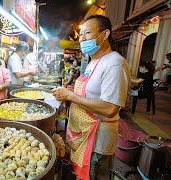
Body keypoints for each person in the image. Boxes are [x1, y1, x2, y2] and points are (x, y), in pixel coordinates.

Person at [53, 15, 129, 180]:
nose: (82, 39)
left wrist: (71, 96)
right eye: (81, 35)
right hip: (83, 133)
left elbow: (110, 108)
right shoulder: (93, 62)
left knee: (94, 174)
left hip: (98, 140)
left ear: (105, 34)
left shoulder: (114, 63)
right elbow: (90, 93)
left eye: (87, 33)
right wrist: (70, 92)